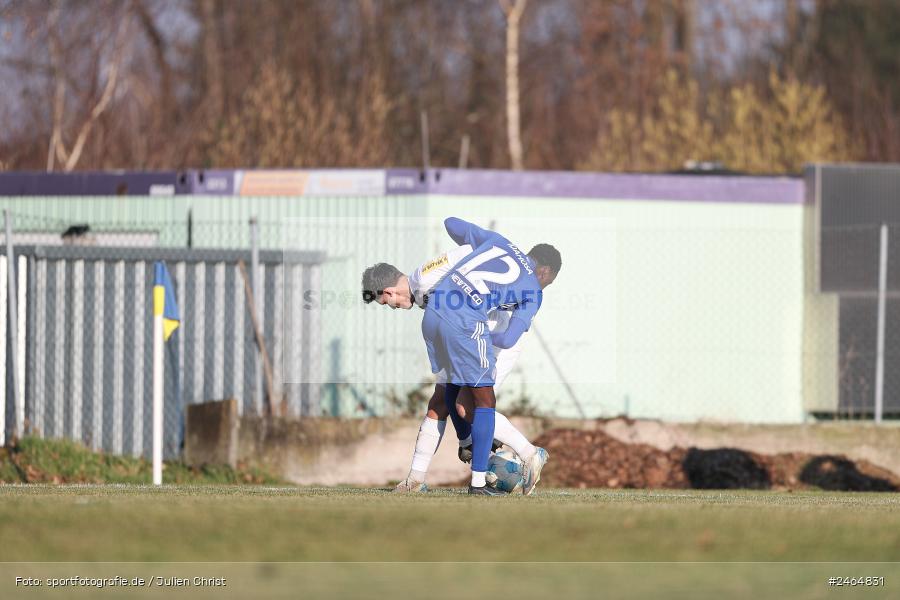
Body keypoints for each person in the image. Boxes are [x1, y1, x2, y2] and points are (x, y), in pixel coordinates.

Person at [361, 239, 546, 493]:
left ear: (389, 292)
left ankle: (528, 453)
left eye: (385, 303)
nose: (392, 307)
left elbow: (471, 252)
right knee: (441, 402)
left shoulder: (425, 279)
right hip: (464, 332)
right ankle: (416, 479)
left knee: (469, 405)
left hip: (490, 333)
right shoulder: (423, 289)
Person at [420, 217, 560, 495]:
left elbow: (451, 223)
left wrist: (471, 246)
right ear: (543, 271)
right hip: (474, 328)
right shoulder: (533, 288)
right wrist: (476, 334)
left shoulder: (500, 243)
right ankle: (487, 455)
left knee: (462, 403)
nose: (544, 288)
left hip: (462, 324)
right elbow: (508, 336)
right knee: (461, 399)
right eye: (548, 283)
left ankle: (522, 452)